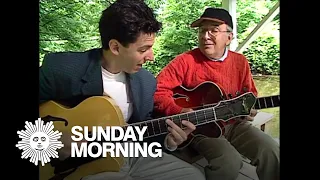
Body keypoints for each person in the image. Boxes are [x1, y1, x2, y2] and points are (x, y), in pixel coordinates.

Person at [39, 0, 206, 180]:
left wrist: (168, 140)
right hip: (76, 168)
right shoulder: (62, 69)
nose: (151, 57)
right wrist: (50, 138)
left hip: (129, 154)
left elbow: (142, 128)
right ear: (115, 47)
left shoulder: (146, 82)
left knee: (193, 176)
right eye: (144, 49)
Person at [153, 7, 280, 180]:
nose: (205, 36)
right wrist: (179, 112)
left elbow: (250, 93)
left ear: (229, 37)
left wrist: (250, 110)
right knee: (229, 162)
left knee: (271, 151)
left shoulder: (240, 62)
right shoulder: (185, 61)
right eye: (202, 30)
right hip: (201, 127)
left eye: (213, 30)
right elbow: (157, 90)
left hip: (235, 125)